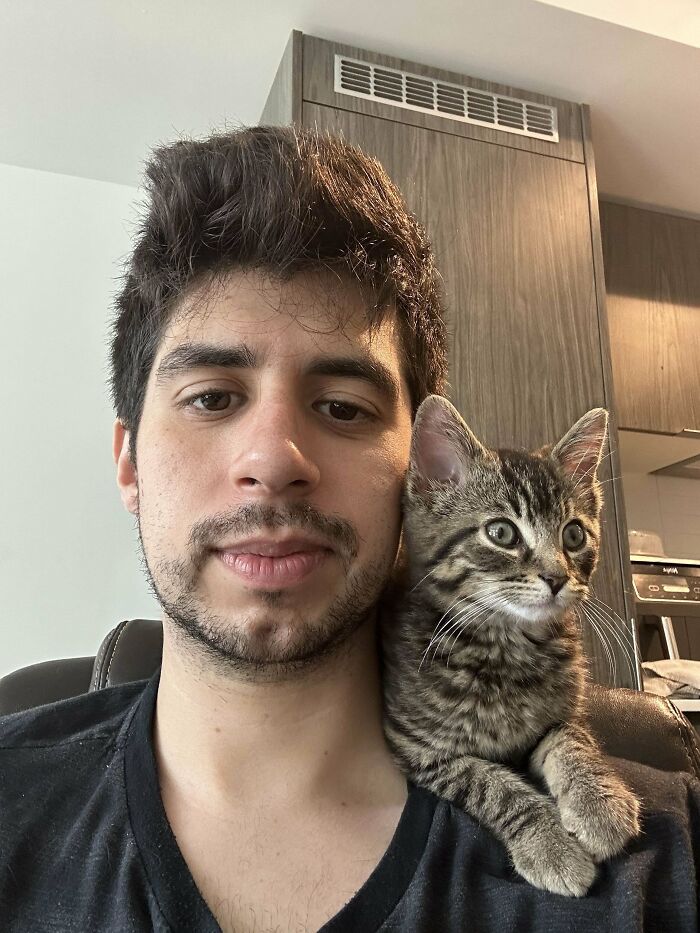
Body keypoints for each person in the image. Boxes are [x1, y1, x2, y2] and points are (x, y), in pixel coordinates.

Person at [0, 125, 697, 933]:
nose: (273, 458)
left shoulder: (671, 861)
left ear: (418, 478)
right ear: (128, 462)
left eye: (342, 408)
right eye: (213, 397)